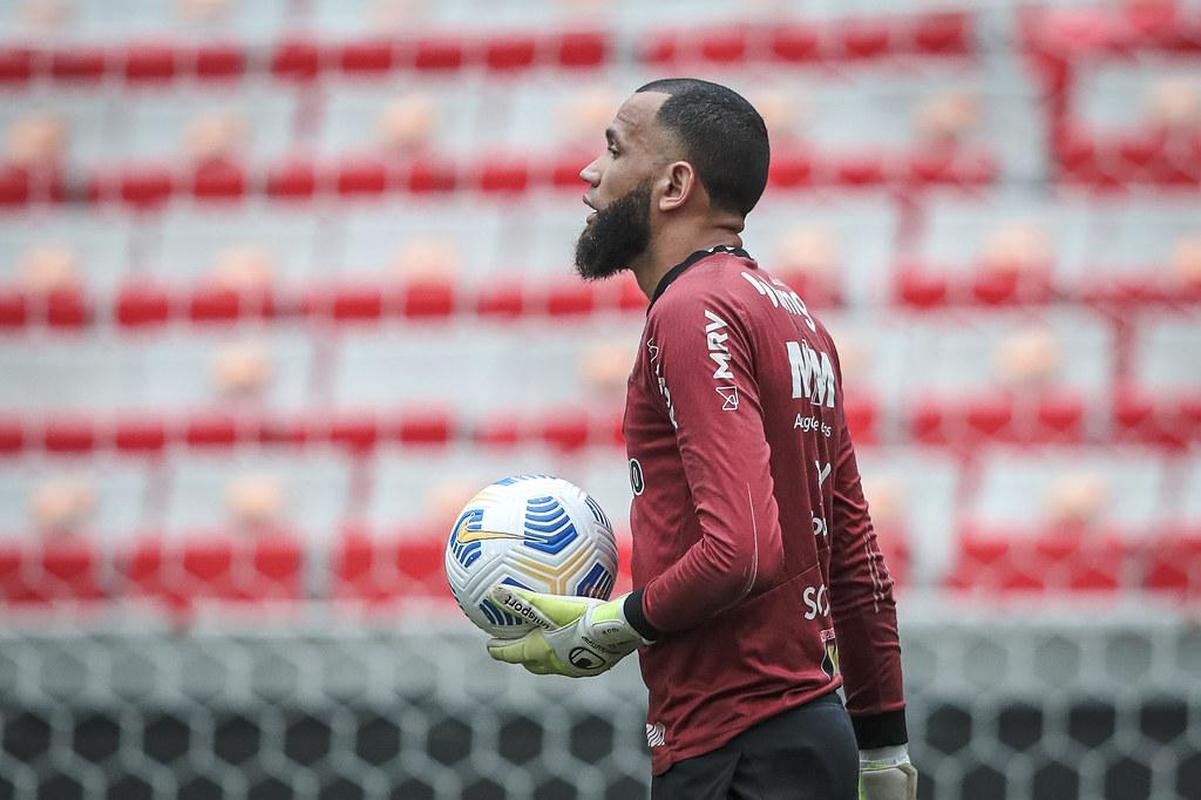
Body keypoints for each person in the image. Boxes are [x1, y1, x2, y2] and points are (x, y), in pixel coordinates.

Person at [486, 78, 916, 800]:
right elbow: (857, 561)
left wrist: (613, 625)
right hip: (810, 734)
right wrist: (882, 750)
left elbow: (741, 548)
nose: (590, 173)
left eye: (614, 150)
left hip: (736, 745)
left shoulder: (692, 309)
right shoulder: (797, 320)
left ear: (673, 184)